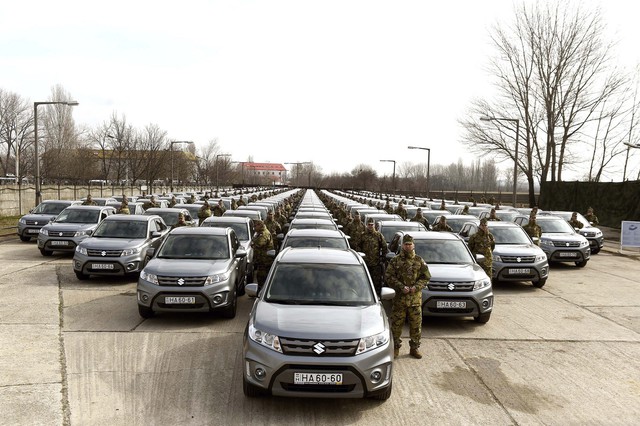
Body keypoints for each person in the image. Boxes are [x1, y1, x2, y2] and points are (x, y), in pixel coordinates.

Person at [385, 234, 431, 359]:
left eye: (410, 244)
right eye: (406, 244)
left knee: (416, 325)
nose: (408, 246)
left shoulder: (419, 260)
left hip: (415, 300)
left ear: (413, 245)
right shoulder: (395, 261)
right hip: (400, 299)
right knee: (396, 325)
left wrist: (416, 287)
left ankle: (414, 348)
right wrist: (400, 286)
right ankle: (395, 348)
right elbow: (388, 276)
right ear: (402, 245)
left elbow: (426, 277)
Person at [360, 218, 389, 294]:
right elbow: (358, 247)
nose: (370, 226)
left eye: (371, 225)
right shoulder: (363, 235)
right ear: (367, 225)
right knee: (364, 281)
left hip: (375, 263)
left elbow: (384, 246)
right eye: (369, 225)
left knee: (376, 282)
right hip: (365, 263)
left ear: (374, 225)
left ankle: (377, 296)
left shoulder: (378, 235)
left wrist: (382, 258)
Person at [251, 220, 274, 288]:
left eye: (255, 226)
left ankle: (261, 291)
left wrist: (253, 244)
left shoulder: (264, 233)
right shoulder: (259, 233)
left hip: (265, 261)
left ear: (260, 225)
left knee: (262, 278)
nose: (254, 228)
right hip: (261, 260)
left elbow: (259, 243)